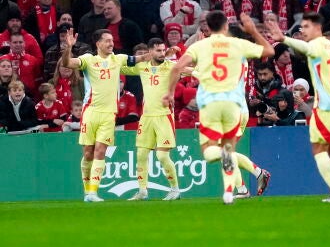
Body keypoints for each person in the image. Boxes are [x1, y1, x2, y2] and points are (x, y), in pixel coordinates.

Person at [162, 11, 274, 204]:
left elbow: (202, 71)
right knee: (228, 149)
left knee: (216, 150)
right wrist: (253, 31)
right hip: (236, 106)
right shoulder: (238, 49)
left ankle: (254, 175)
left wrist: (176, 85)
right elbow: (268, 51)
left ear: (208, 27)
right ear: (226, 26)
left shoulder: (202, 46)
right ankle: (240, 188)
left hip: (213, 104)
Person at [267, 11, 330, 202]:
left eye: (307, 26)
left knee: (319, 150)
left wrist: (284, 38)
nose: (303, 30)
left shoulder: (317, 44)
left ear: (318, 28)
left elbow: (305, 48)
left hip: (327, 107)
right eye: (302, 27)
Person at [62, 28, 146, 202]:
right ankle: (87, 192)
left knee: (100, 151)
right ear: (98, 43)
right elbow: (67, 64)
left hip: (109, 114)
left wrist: (157, 54)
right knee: (87, 153)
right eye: (107, 40)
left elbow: (140, 59)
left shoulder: (118, 58)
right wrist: (68, 47)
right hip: (91, 112)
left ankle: (93, 193)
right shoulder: (88, 60)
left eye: (112, 40)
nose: (111, 43)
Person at [127, 38, 180, 201]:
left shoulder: (171, 66)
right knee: (141, 155)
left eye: (164, 50)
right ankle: (142, 191)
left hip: (164, 116)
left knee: (162, 156)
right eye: (158, 50)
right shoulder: (142, 67)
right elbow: (119, 68)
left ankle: (175, 190)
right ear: (150, 51)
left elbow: (192, 71)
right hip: (147, 117)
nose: (162, 53)